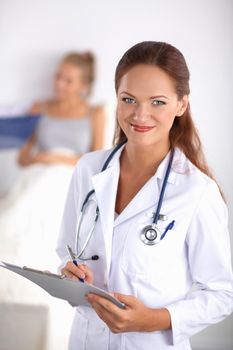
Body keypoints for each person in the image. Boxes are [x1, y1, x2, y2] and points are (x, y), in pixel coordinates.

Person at [56, 42, 233, 350]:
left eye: (158, 102)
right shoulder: (88, 169)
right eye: (129, 99)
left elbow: (221, 294)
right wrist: (69, 272)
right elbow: (65, 251)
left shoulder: (198, 192)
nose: (140, 115)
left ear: (181, 105)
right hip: (85, 340)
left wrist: (154, 319)